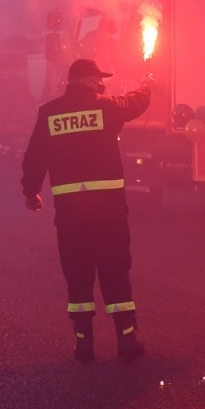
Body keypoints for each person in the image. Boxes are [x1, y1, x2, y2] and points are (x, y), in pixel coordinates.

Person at [21, 58, 154, 362]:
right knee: (115, 271)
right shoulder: (106, 107)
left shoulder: (49, 113)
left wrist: (31, 193)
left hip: (70, 214)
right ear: (91, 80)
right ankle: (127, 341)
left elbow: (34, 158)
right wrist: (148, 85)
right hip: (108, 212)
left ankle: (83, 344)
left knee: (78, 274)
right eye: (99, 79)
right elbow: (133, 103)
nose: (102, 83)